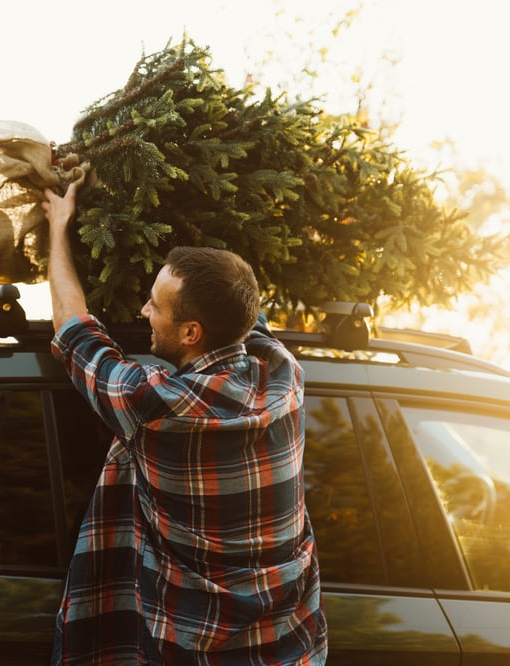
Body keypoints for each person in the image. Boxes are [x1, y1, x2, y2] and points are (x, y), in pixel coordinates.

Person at [43, 182, 328, 664]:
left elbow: (74, 329)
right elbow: (236, 302)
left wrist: (58, 227)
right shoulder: (285, 378)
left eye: (155, 304)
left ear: (192, 332)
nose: (143, 311)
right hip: (287, 652)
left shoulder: (155, 404)